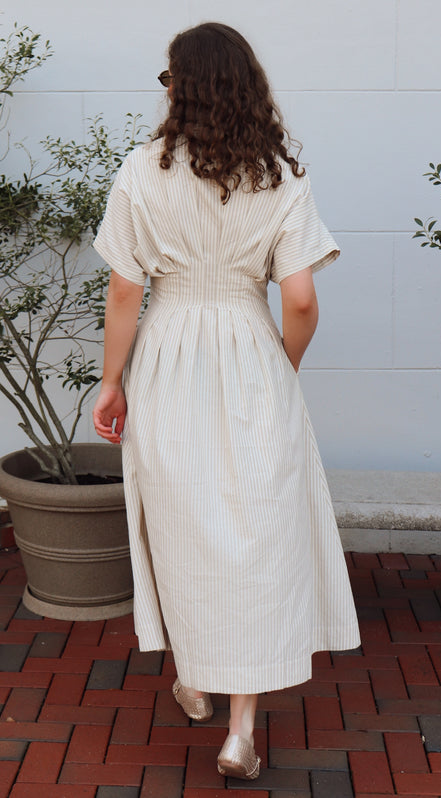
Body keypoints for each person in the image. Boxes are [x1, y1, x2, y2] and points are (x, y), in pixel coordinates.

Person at [92, 21, 360, 780]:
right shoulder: (282, 174)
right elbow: (301, 299)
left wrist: (111, 382)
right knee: (255, 530)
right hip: (250, 347)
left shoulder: (144, 170)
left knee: (181, 523)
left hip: (170, 351)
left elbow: (123, 289)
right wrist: (284, 363)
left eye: (168, 78)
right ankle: (241, 731)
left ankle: (192, 674)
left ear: (182, 86)